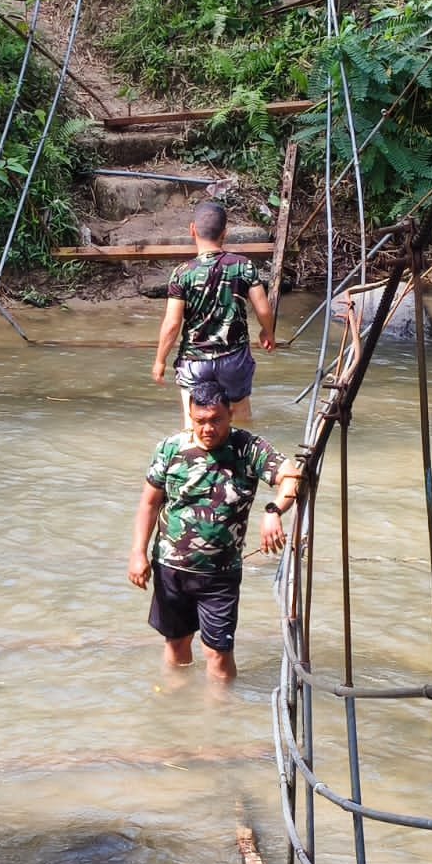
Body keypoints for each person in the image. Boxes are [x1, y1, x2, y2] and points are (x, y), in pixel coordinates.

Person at [128, 381, 302, 681]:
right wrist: (137, 554)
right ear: (191, 416)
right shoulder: (170, 448)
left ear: (230, 415)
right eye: (200, 422)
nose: (208, 428)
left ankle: (218, 716)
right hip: (171, 568)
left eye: (216, 420)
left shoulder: (248, 448)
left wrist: (274, 511)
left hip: (221, 573)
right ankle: (178, 706)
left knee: (218, 655)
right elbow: (149, 502)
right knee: (176, 645)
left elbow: (292, 475)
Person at [152, 201, 277, 427]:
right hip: (234, 358)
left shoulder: (182, 273)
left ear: (192, 230)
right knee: (240, 420)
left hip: (194, 360)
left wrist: (160, 360)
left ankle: (197, 460)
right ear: (225, 233)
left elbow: (172, 324)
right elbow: (263, 309)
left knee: (195, 424)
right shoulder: (244, 266)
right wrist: (267, 333)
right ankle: (241, 459)